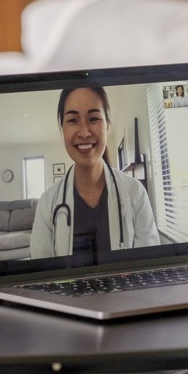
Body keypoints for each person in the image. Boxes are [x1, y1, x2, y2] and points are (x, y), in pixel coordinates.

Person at [30, 85, 159, 259]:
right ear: (62, 129)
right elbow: (41, 278)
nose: (84, 132)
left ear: (107, 126)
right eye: (73, 120)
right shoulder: (47, 204)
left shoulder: (136, 194)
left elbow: (149, 267)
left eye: (93, 118)